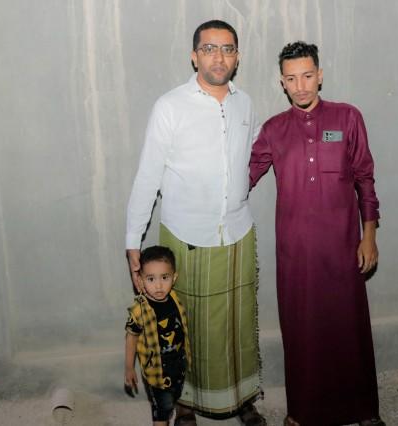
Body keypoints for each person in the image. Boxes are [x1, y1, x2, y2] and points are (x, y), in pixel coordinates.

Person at [125, 20, 265, 425]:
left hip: (237, 233)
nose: (218, 57)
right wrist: (133, 241)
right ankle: (185, 404)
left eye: (227, 49)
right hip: (186, 236)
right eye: (209, 48)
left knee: (237, 324)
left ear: (237, 56)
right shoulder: (170, 106)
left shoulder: (245, 104)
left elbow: (253, 156)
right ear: (194, 56)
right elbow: (148, 177)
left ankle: (241, 398)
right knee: (184, 326)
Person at [249, 41, 384, 426]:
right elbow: (243, 177)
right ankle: (302, 412)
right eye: (292, 79)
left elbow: (365, 179)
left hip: (343, 246)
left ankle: (364, 411)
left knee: (349, 328)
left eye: (307, 76)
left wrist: (369, 235)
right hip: (296, 252)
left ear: (320, 76)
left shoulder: (347, 118)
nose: (301, 86)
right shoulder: (273, 130)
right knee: (302, 331)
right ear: (282, 82)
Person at [125, 246, 191, 426]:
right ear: (140, 280)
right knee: (161, 412)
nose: (159, 285)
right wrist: (129, 367)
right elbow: (131, 338)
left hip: (178, 368)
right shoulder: (139, 311)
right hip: (157, 374)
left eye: (164, 277)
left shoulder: (175, 300)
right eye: (151, 279)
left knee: (171, 403)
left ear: (174, 278)